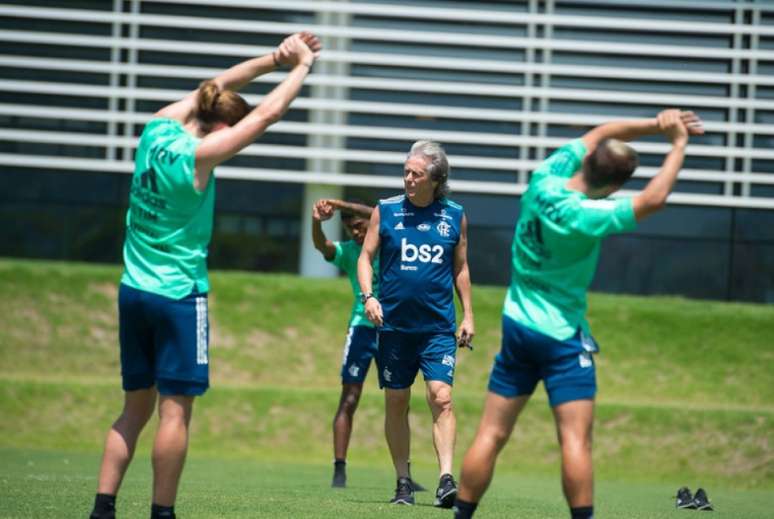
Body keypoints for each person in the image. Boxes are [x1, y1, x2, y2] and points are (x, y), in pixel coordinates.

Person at [89, 32, 321, 519]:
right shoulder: (198, 159)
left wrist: (275, 58)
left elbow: (214, 85)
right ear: (217, 126)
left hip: (133, 290)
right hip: (177, 296)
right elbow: (265, 116)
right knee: (175, 412)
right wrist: (300, 69)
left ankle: (103, 509)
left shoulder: (156, 128)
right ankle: (162, 513)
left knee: (133, 410)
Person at [453, 109, 704, 519]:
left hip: (516, 325)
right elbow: (654, 199)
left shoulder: (542, 180)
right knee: (574, 441)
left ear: (585, 161)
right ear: (614, 185)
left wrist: (657, 124)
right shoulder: (588, 215)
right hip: (560, 335)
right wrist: (677, 143)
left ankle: (462, 515)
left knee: (491, 433)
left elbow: (602, 131)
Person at [358, 140, 475, 508]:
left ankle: (445, 479)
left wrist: (468, 314)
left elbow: (461, 268)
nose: (408, 179)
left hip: (438, 327)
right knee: (396, 400)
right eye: (406, 172)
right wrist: (369, 296)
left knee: (442, 397)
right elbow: (365, 257)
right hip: (394, 328)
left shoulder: (454, 216)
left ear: (436, 180)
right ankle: (403, 482)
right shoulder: (386, 211)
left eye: (416, 174)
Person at [312, 198, 428, 491]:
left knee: (399, 401)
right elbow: (322, 246)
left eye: (361, 226)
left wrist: (338, 204)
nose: (356, 233)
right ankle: (339, 469)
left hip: (394, 330)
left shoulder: (387, 243)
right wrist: (316, 221)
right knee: (349, 399)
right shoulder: (350, 253)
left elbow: (378, 213)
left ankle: (405, 475)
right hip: (362, 331)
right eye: (351, 229)